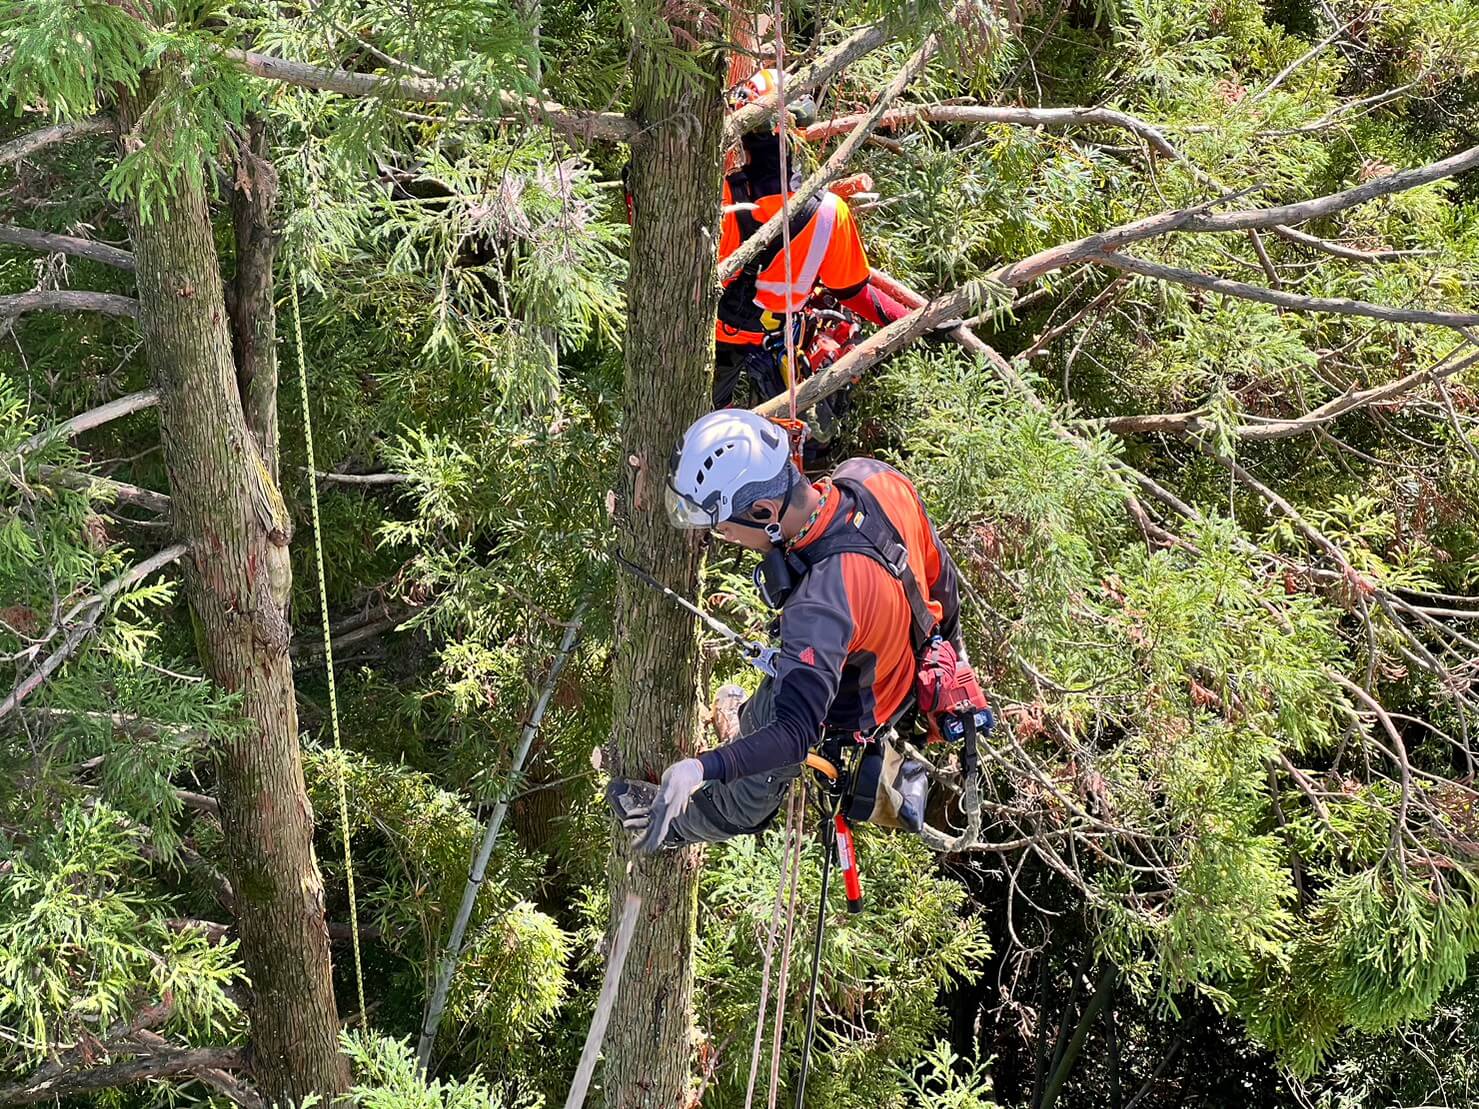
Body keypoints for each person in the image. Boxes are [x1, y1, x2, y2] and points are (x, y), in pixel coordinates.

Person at [606, 409, 966, 854]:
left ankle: (679, 828)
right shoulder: (871, 478)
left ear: (763, 510)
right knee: (773, 705)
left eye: (723, 526)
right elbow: (942, 579)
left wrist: (701, 769)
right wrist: (948, 652)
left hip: (857, 703)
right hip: (898, 654)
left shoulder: (819, 608)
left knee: (751, 781)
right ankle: (743, 727)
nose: (723, 536)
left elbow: (795, 733)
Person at [713, 69, 911, 409]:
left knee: (707, 423)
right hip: (779, 340)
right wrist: (907, 321)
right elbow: (853, 291)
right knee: (783, 427)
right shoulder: (829, 212)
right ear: (799, 133)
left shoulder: (722, 199)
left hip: (721, 339)